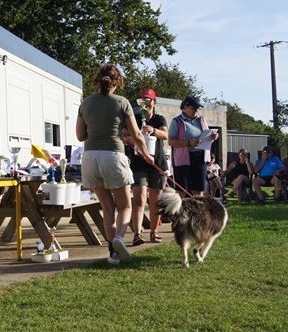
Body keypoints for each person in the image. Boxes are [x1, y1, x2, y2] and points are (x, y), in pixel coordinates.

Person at [76, 64, 154, 264]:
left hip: (90, 157)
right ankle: (119, 237)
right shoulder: (122, 102)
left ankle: (113, 253)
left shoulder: (85, 103)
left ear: (98, 80)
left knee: (107, 208)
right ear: (117, 81)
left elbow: (80, 135)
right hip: (113, 156)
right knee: (126, 205)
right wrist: (146, 155)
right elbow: (137, 134)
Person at [124, 88, 168, 245]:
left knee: (156, 201)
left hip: (157, 164)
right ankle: (137, 234)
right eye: (143, 101)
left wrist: (153, 131)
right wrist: (129, 138)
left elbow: (165, 135)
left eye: (148, 101)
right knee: (139, 199)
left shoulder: (159, 119)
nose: (146, 104)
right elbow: (124, 133)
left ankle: (154, 232)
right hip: (139, 163)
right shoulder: (134, 118)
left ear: (154, 102)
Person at [168, 96, 219, 197]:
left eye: (197, 108)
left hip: (200, 158)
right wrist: (188, 143)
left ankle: (197, 211)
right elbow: (171, 141)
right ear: (184, 107)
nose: (196, 110)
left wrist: (213, 137)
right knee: (182, 190)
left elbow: (206, 138)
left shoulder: (202, 120)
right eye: (193, 108)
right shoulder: (177, 121)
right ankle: (181, 211)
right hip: (183, 160)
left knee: (198, 189)